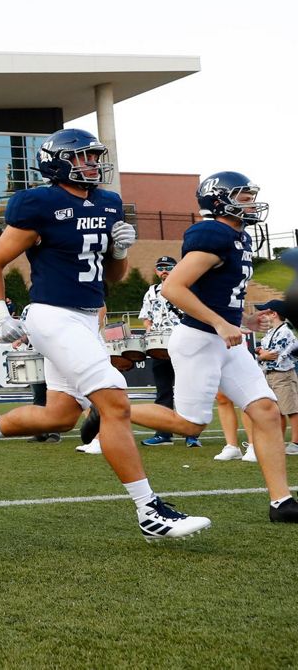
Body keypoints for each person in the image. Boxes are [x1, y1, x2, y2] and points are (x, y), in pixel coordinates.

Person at [0, 128, 210, 541]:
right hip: (52, 315)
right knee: (114, 402)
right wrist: (1, 313)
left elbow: (112, 276)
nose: (92, 164)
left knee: (60, 414)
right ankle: (149, 510)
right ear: (58, 162)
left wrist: (121, 251)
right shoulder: (39, 203)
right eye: (82, 157)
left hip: (86, 317)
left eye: (94, 156)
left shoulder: (109, 203)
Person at [118, 173, 297, 523]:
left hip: (226, 342)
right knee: (189, 425)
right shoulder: (213, 232)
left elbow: (222, 293)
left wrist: (243, 320)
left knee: (266, 411)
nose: (250, 203)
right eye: (243, 198)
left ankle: (282, 502)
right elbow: (174, 288)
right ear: (219, 201)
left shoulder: (239, 236)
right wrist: (218, 323)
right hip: (199, 339)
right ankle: (109, 409)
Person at [138, 255, 190, 446]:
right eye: (160, 267)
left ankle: (190, 433)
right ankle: (163, 434)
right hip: (159, 347)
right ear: (156, 271)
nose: (164, 270)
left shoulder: (187, 288)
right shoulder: (151, 291)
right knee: (163, 391)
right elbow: (146, 317)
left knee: (187, 391)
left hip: (183, 344)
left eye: (168, 267)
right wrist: (149, 327)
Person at [255, 300, 298, 455]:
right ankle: (278, 440)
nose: (264, 315)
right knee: (278, 410)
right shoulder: (272, 331)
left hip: (283, 375)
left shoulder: (285, 331)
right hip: (271, 375)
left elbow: (271, 355)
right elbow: (263, 351)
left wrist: (261, 354)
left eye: (266, 312)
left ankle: (296, 442)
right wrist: (261, 353)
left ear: (274, 314)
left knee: (291, 409)